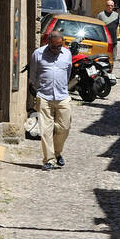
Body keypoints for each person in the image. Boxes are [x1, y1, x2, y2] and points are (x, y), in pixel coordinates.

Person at [28, 30, 73, 170]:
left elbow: (68, 72)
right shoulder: (38, 54)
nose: (57, 49)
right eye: (54, 47)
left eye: (59, 46)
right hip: (44, 96)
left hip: (62, 96)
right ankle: (49, 159)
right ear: (48, 43)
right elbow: (33, 76)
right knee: (45, 130)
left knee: (64, 127)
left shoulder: (67, 54)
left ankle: (57, 153)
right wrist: (38, 90)